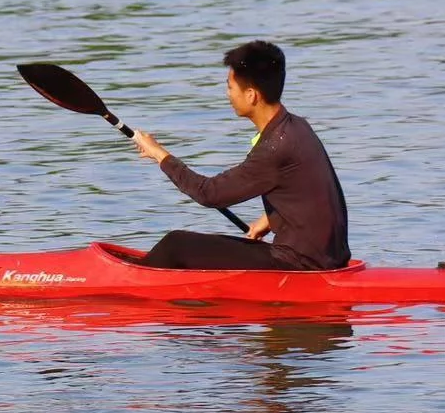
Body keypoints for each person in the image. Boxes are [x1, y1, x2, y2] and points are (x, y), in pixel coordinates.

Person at [130, 40, 350, 271]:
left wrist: (159, 154)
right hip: (330, 257)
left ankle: (131, 284)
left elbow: (209, 193)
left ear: (252, 95)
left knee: (175, 245)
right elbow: (313, 191)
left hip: (302, 265)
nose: (227, 94)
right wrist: (270, 219)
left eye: (230, 87)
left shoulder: (275, 147)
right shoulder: (298, 127)